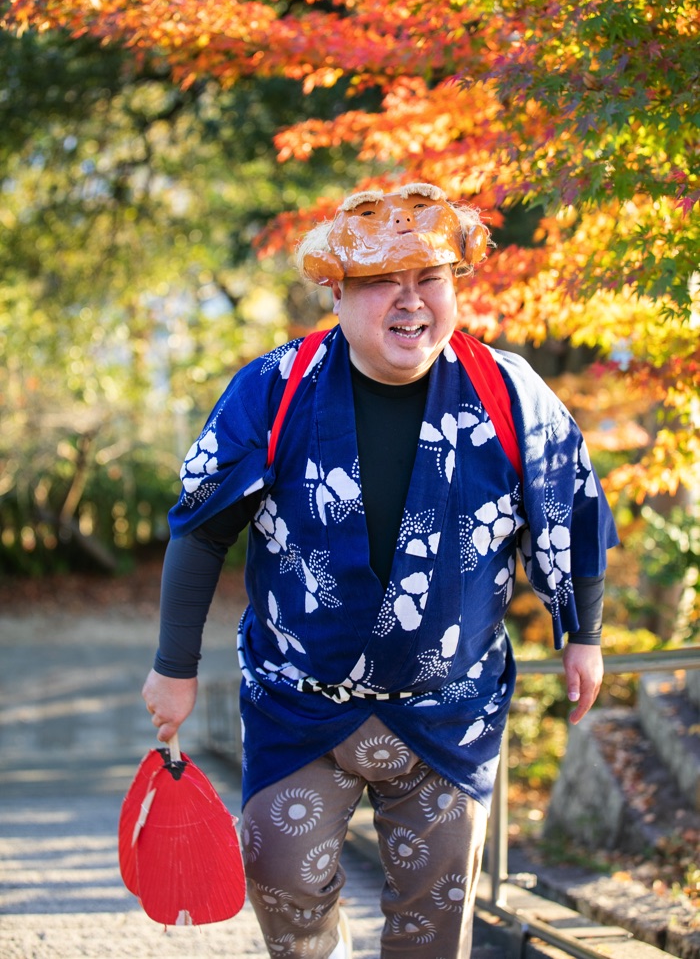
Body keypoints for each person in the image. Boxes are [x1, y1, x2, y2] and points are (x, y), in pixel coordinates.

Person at [142, 182, 618, 959]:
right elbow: (200, 529)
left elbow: (573, 512)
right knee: (282, 882)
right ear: (336, 290)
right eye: (381, 283)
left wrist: (583, 634)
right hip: (300, 705)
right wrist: (174, 668)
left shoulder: (509, 392)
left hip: (449, 710)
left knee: (434, 926)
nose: (411, 301)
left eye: (430, 277)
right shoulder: (275, 387)